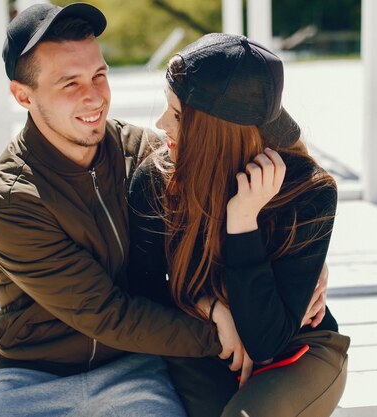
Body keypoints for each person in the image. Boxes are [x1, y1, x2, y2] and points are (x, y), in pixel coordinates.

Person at [127, 33, 350, 417]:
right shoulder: (155, 180)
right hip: (204, 345)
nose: (161, 125)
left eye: (178, 115)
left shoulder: (309, 193)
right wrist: (211, 307)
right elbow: (141, 292)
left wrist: (242, 223)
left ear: (217, 131)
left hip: (299, 350)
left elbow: (268, 341)